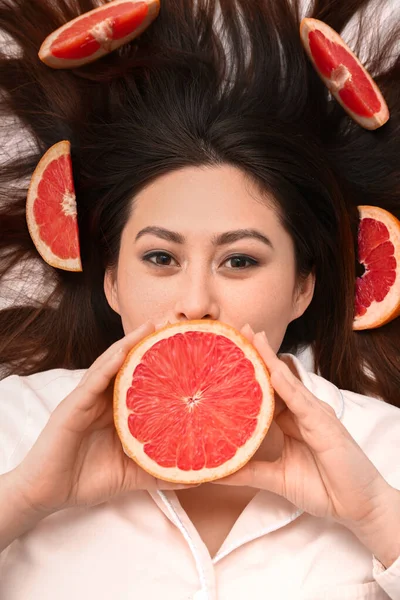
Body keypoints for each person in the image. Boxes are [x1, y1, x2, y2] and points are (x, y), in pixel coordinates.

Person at [0, 0, 399, 598]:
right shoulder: (15, 425)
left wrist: (376, 515)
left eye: (240, 260)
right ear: (111, 281)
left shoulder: (384, 450)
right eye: (160, 258)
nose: (195, 302)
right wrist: (25, 498)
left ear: (303, 288)